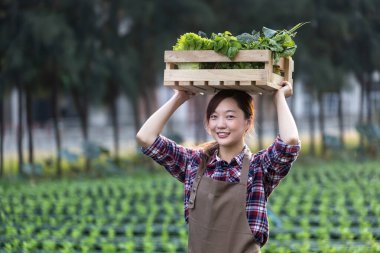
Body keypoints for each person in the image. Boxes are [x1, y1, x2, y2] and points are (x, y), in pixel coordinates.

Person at [136, 81, 301, 253]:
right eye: (214, 117)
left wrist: (279, 97)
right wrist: (180, 96)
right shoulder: (194, 164)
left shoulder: (258, 168)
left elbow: (289, 142)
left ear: (247, 122)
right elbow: (146, 138)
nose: (220, 124)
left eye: (230, 116)